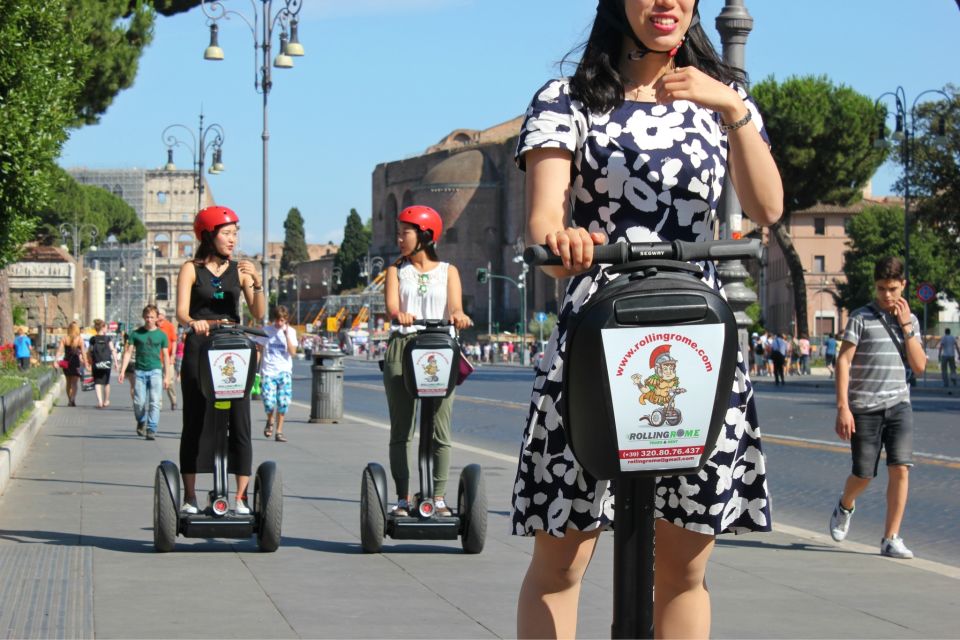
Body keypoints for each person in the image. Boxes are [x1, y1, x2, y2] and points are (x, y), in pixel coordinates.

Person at [511, 0, 783, 636]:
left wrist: (732, 108)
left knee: (685, 567)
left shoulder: (724, 100)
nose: (667, 1)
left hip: (697, 334)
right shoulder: (565, 99)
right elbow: (544, 226)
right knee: (561, 558)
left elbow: (766, 207)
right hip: (598, 334)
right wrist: (567, 244)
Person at [829, 256, 926, 559]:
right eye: (881, 288)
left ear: (903, 286)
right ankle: (845, 504)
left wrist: (907, 326)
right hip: (864, 408)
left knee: (901, 469)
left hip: (899, 405)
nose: (887, 295)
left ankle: (891, 538)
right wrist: (843, 407)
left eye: (893, 288)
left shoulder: (910, 321)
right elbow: (843, 361)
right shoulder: (860, 317)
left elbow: (920, 366)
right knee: (864, 474)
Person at [383, 205, 472, 519]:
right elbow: (392, 306)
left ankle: (437, 497)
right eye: (399, 232)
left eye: (404, 232)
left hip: (438, 348)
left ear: (424, 235)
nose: (399, 238)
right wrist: (400, 315)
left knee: (440, 430)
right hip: (403, 347)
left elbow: (456, 307)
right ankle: (403, 498)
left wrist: (458, 316)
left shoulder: (449, 271)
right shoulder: (395, 271)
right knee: (402, 429)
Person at [176, 205, 265, 515]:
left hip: (232, 346)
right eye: (227, 233)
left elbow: (258, 313)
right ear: (208, 235)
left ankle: (239, 498)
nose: (233, 239)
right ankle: (189, 496)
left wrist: (256, 281)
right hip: (200, 345)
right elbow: (182, 312)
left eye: (235, 234)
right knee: (195, 420)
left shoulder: (239, 269)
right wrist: (194, 322)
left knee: (239, 420)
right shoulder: (191, 268)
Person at [118, 305, 171, 440]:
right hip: (140, 371)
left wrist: (167, 376)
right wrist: (122, 370)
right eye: (147, 317)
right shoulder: (136, 334)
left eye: (152, 317)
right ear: (143, 317)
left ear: (156, 318)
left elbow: (165, 356)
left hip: (155, 371)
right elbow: (128, 352)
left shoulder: (161, 335)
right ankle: (141, 420)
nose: (149, 319)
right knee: (139, 402)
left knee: (155, 401)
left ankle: (151, 428)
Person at [257, 305, 298, 443]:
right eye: (277, 320)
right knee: (268, 402)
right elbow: (259, 349)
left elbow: (292, 353)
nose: (279, 323)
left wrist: (286, 336)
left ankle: (279, 431)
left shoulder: (291, 332)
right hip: (268, 371)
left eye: (282, 320)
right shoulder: (266, 331)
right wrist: (256, 370)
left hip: (284, 371)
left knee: (283, 402)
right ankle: (270, 419)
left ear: (286, 320)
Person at [87, 319, 119, 409]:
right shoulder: (108, 339)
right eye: (106, 327)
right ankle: (106, 400)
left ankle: (100, 402)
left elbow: (89, 352)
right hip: (107, 362)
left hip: (96, 362)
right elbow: (113, 350)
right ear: (103, 328)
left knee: (97, 382)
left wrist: (89, 362)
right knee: (106, 382)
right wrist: (116, 363)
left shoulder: (92, 339)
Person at [56, 321, 86, 407]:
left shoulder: (65, 338)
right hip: (76, 363)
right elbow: (83, 353)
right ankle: (73, 398)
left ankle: (69, 400)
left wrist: (56, 360)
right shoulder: (80, 339)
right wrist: (86, 363)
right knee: (74, 383)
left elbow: (59, 351)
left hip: (66, 363)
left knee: (68, 382)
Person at [156, 307, 179, 410]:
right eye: (157, 314)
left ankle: (173, 401)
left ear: (164, 316)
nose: (158, 316)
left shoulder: (169, 326)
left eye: (160, 314)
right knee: (157, 382)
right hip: (156, 359)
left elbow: (174, 341)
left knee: (169, 382)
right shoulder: (153, 326)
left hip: (168, 359)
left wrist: (173, 354)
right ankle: (158, 404)